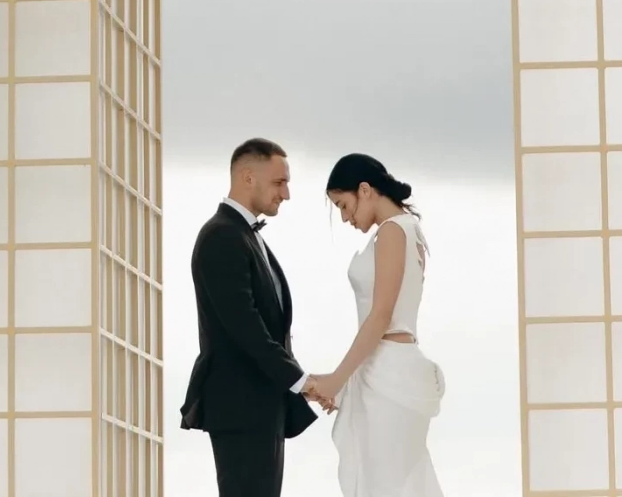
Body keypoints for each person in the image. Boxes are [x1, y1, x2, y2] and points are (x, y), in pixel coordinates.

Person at [180, 137, 328, 497]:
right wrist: (301, 381)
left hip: (261, 405)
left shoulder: (244, 235)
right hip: (240, 405)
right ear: (248, 177)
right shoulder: (221, 236)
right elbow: (245, 327)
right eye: (279, 182)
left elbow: (268, 327)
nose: (286, 194)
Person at [309, 153, 445, 496]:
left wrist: (336, 379)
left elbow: (381, 316)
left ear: (365, 190)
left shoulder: (393, 231)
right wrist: (339, 381)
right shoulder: (405, 229)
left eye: (343, 205)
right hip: (388, 366)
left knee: (385, 484)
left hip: (389, 371)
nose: (345, 218)